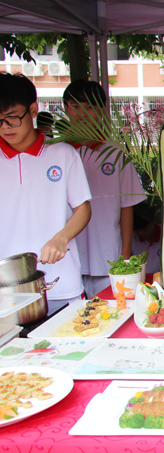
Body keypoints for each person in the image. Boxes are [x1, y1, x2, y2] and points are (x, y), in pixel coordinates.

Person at [0, 73, 92, 313]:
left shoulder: (62, 154)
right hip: (7, 290)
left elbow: (83, 208)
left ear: (32, 110)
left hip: (60, 283)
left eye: (12, 118)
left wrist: (60, 238)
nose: (5, 127)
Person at [63, 80, 146, 298]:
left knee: (109, 316)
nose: (82, 113)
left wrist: (125, 253)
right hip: (65, 258)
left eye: (90, 107)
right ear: (65, 108)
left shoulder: (115, 152)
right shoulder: (57, 153)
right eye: (75, 106)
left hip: (108, 257)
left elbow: (126, 206)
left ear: (102, 110)